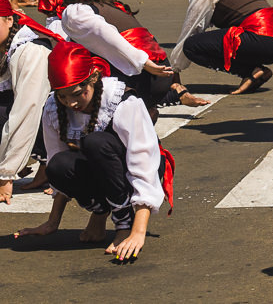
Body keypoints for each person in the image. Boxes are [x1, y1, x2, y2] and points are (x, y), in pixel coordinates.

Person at [15, 41, 175, 261]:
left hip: (139, 170)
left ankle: (124, 223)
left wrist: (137, 232)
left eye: (77, 94)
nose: (70, 103)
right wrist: (52, 222)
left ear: (93, 78)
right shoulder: (53, 107)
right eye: (63, 96)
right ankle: (100, 212)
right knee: (58, 165)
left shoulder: (123, 102)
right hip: (104, 174)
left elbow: (144, 164)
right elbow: (57, 162)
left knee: (95, 142)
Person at [37, 0, 207, 113]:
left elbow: (106, 35)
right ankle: (167, 97)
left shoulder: (73, 13)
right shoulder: (108, 5)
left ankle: (144, 110)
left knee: (76, 74)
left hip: (145, 75)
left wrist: (143, 62)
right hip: (159, 74)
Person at [0, 0, 62, 206]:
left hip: (69, 119)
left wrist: (6, 173)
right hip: (41, 111)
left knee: (12, 110)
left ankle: (53, 164)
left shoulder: (31, 50)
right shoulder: (7, 39)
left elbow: (27, 110)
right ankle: (44, 167)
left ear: (9, 20)